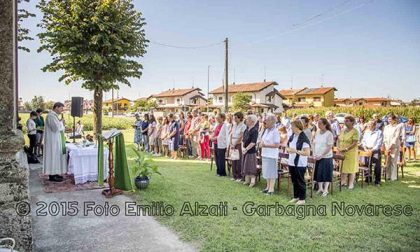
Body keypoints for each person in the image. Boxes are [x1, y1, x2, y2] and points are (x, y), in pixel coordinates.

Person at [286, 119, 311, 205]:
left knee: (300, 181)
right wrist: (288, 150)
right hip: (291, 162)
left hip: (300, 163)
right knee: (294, 180)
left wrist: (296, 151)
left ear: (297, 127)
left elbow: (307, 152)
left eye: (292, 126)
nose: (291, 128)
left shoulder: (303, 138)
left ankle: (302, 198)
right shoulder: (292, 136)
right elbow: (287, 146)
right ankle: (296, 196)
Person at [43, 102, 67, 182]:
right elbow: (55, 128)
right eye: (61, 108)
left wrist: (60, 122)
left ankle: (55, 173)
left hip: (55, 140)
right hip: (52, 141)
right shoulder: (51, 116)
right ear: (56, 107)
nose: (62, 110)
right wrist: (61, 123)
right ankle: (52, 175)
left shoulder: (54, 116)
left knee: (56, 157)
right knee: (53, 156)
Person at [260, 114, 281, 195]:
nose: (265, 122)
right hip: (265, 153)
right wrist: (261, 143)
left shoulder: (275, 131)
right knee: (266, 171)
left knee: (271, 172)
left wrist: (265, 145)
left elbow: (277, 145)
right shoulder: (266, 130)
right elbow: (263, 140)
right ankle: (267, 187)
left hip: (271, 155)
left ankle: (271, 189)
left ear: (272, 122)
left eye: (267, 120)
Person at [313, 118, 334, 197]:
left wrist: (322, 155)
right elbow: (314, 143)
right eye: (318, 123)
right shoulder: (317, 132)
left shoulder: (329, 134)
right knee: (319, 173)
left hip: (326, 157)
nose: (318, 125)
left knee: (326, 173)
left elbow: (329, 146)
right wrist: (315, 154)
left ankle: (326, 189)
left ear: (325, 124)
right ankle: (320, 188)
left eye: (320, 124)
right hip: (318, 156)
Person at [337, 116, 359, 189]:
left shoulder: (355, 131)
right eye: (345, 120)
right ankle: (343, 182)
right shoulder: (342, 130)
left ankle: (351, 184)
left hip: (351, 152)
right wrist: (338, 147)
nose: (345, 122)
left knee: (351, 169)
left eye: (347, 121)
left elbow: (355, 142)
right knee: (343, 167)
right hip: (342, 152)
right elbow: (338, 139)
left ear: (352, 122)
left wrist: (346, 149)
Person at [361, 120, 383, 186]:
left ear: (374, 125)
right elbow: (363, 141)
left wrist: (372, 150)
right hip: (367, 149)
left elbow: (379, 143)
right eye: (368, 125)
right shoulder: (366, 132)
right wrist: (365, 148)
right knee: (367, 164)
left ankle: (377, 181)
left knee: (377, 166)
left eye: (370, 125)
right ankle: (368, 179)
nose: (369, 126)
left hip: (375, 151)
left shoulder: (379, 132)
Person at [383, 114, 405, 181]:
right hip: (387, 146)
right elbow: (384, 136)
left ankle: (393, 177)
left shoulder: (397, 127)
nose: (389, 120)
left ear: (394, 120)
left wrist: (391, 146)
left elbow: (396, 137)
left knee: (393, 161)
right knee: (387, 161)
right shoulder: (386, 127)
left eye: (390, 119)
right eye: (388, 119)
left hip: (394, 146)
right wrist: (385, 145)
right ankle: (387, 175)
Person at [242, 114, 259, 187]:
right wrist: (243, 148)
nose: (246, 120)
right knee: (246, 165)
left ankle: (252, 181)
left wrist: (246, 149)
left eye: (248, 119)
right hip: (245, 150)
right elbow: (243, 140)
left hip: (251, 151)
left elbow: (253, 142)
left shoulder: (254, 130)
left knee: (251, 166)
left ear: (252, 121)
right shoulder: (246, 129)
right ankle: (247, 180)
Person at [230, 112, 246, 181]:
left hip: (238, 143)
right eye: (234, 117)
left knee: (238, 159)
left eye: (236, 117)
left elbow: (241, 136)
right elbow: (231, 134)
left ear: (240, 118)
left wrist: (235, 144)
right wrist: (231, 143)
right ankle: (234, 175)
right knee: (233, 159)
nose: (234, 119)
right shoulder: (234, 125)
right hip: (233, 142)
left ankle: (239, 176)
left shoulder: (243, 126)